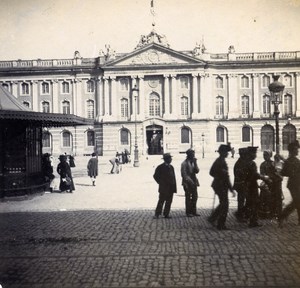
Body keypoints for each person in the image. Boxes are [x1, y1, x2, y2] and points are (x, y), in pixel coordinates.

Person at [208, 144, 236, 230]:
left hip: (218, 185)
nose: (228, 153)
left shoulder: (219, 160)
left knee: (223, 203)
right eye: (226, 152)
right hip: (220, 186)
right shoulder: (221, 162)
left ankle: (212, 218)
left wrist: (218, 175)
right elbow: (225, 177)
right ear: (223, 153)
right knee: (225, 205)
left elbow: (211, 172)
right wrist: (231, 190)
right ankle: (221, 224)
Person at [245, 146, 269, 228]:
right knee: (255, 203)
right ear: (250, 153)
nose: (255, 155)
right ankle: (253, 221)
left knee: (251, 203)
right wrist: (264, 178)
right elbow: (255, 175)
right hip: (252, 186)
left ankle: (251, 219)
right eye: (254, 153)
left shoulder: (246, 162)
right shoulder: (252, 163)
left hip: (248, 185)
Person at [278, 141, 300, 227]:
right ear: (291, 151)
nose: (297, 151)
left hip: (296, 183)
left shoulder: (293, 160)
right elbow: (284, 172)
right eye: (295, 149)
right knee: (296, 202)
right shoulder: (291, 160)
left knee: (297, 202)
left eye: (297, 149)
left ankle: (283, 216)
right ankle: (282, 216)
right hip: (294, 184)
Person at [153, 153, 177, 219]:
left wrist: (174, 186)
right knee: (161, 201)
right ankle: (157, 214)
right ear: (166, 159)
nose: (171, 159)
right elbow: (155, 176)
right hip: (164, 188)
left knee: (169, 201)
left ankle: (166, 214)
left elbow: (173, 177)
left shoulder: (171, 167)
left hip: (171, 187)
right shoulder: (160, 167)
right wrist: (161, 183)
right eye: (169, 158)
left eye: (171, 158)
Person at [181, 148, 200, 217]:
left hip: (194, 181)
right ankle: (188, 212)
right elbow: (184, 174)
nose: (193, 156)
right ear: (188, 155)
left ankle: (194, 211)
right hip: (187, 182)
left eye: (194, 154)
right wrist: (190, 182)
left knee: (195, 197)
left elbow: (197, 171)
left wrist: (195, 163)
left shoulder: (193, 162)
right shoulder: (184, 163)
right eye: (192, 154)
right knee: (188, 197)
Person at [233, 147, 249, 222]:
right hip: (241, 184)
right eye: (245, 154)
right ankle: (240, 215)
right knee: (242, 200)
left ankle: (241, 214)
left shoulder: (241, 162)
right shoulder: (240, 163)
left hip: (241, 184)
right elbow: (240, 174)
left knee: (242, 200)